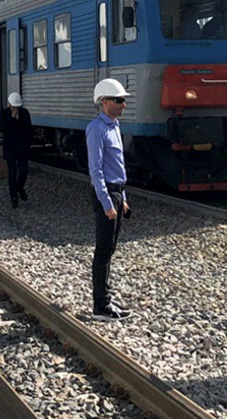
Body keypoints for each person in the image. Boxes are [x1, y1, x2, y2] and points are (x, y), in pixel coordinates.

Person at [86, 78, 132, 321]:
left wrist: (121, 198)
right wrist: (106, 203)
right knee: (103, 250)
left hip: (116, 192)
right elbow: (96, 171)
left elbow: (118, 166)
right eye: (118, 100)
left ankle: (105, 296)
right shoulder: (97, 129)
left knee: (110, 249)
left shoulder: (114, 125)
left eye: (123, 100)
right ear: (103, 102)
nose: (123, 104)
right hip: (105, 194)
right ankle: (100, 306)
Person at [0, 92, 33, 208]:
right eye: (14, 107)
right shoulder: (3, 114)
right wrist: (12, 119)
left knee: (24, 170)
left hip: (22, 147)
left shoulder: (25, 113)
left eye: (17, 107)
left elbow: (28, 128)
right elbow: (1, 128)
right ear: (9, 105)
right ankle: (14, 197)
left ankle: (20, 188)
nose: (16, 109)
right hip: (10, 148)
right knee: (12, 173)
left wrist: (28, 142)